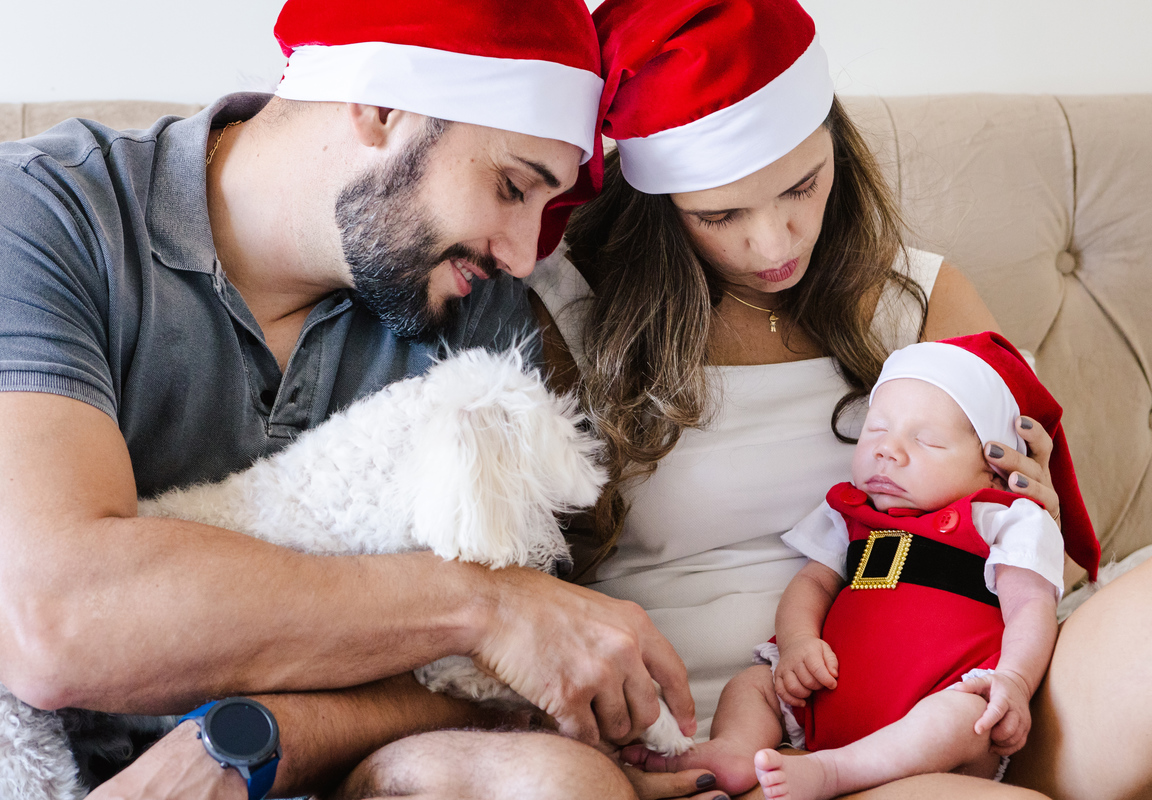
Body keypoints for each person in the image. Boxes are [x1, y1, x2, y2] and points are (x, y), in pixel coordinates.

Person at [0, 1, 695, 798]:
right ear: (382, 104)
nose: (521, 251)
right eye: (511, 186)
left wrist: (246, 743)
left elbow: (492, 687)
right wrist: (483, 606)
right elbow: (51, 620)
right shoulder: (46, 216)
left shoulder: (477, 314)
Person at [528, 0, 1152, 798]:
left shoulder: (916, 295)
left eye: (802, 187)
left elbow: (1029, 529)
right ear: (657, 203)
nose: (777, 243)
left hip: (981, 685)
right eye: (723, 215)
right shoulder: (569, 313)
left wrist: (1032, 497)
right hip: (766, 730)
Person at [622, 332, 1099, 797]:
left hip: (935, 704)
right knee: (754, 686)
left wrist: (1012, 680)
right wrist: (797, 642)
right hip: (826, 697)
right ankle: (733, 749)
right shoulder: (850, 515)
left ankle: (833, 772)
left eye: (928, 441)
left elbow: (1030, 605)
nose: (887, 449)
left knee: (961, 718)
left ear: (990, 465)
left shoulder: (1001, 519)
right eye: (876, 429)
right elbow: (811, 584)